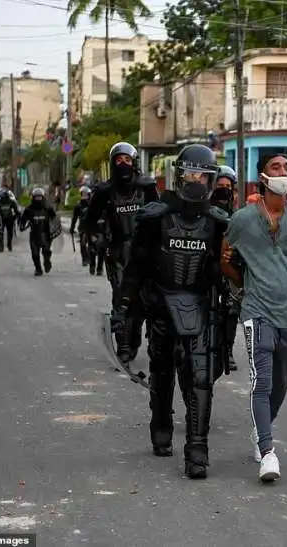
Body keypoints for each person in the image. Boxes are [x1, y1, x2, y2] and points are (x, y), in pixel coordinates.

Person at [113, 144, 229, 479]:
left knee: (200, 378)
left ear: (210, 180)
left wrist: (232, 299)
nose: (195, 180)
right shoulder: (155, 217)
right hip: (162, 303)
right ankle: (161, 425)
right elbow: (135, 267)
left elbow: (229, 269)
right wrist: (125, 306)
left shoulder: (219, 222)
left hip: (201, 307)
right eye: (190, 174)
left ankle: (197, 450)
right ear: (179, 176)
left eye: (202, 176)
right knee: (162, 371)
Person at [220, 153, 287, 482]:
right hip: (256, 310)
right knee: (262, 379)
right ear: (263, 176)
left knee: (282, 377)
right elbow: (224, 258)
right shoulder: (243, 220)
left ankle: (262, 428)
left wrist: (283, 283)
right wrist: (245, 285)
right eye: (277, 167)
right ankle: (267, 449)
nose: (283, 173)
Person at [82, 142, 159, 362]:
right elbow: (89, 222)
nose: (123, 164)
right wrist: (97, 239)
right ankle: (123, 345)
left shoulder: (147, 186)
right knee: (121, 297)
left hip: (145, 250)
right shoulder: (105, 192)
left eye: (127, 160)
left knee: (145, 300)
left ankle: (140, 339)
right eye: (119, 160)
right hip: (117, 251)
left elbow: (163, 216)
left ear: (134, 162)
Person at [211, 165, 240, 372]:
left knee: (231, 309)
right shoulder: (204, 212)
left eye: (227, 186)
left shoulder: (238, 217)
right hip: (207, 267)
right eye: (219, 186)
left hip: (229, 269)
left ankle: (227, 350)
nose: (223, 190)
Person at [19, 187, 56, 276]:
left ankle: (47, 262)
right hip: (34, 234)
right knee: (35, 253)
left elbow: (54, 219)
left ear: (43, 197)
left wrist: (54, 229)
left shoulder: (48, 208)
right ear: (33, 197)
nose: (38, 199)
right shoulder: (29, 209)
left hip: (46, 234)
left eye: (40, 197)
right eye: (36, 197)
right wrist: (22, 225)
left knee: (46, 251)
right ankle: (38, 269)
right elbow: (23, 220)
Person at [70, 186, 92, 267]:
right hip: (82, 227)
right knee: (83, 243)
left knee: (93, 244)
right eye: (83, 194)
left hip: (92, 227)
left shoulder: (93, 205)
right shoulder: (78, 206)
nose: (85, 195)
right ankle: (85, 259)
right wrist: (72, 228)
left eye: (86, 194)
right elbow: (74, 218)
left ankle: (91, 257)